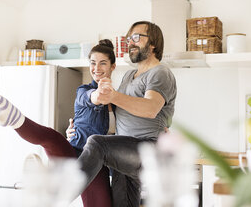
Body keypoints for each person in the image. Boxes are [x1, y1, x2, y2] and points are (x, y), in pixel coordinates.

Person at [0, 39, 117, 207]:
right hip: (74, 153)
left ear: (113, 66)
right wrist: (100, 92)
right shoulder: (84, 91)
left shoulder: (119, 101)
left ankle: (47, 187)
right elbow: (93, 98)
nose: (96, 68)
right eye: (93, 63)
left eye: (102, 63)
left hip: (98, 165)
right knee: (54, 138)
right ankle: (12, 117)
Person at [74, 21, 177, 207]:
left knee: (97, 143)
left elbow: (150, 108)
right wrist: (77, 127)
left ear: (153, 43)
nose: (130, 42)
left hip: (146, 149)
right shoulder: (129, 76)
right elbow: (116, 109)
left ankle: (62, 190)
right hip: (123, 148)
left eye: (136, 37)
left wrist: (113, 95)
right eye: (129, 38)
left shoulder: (160, 73)